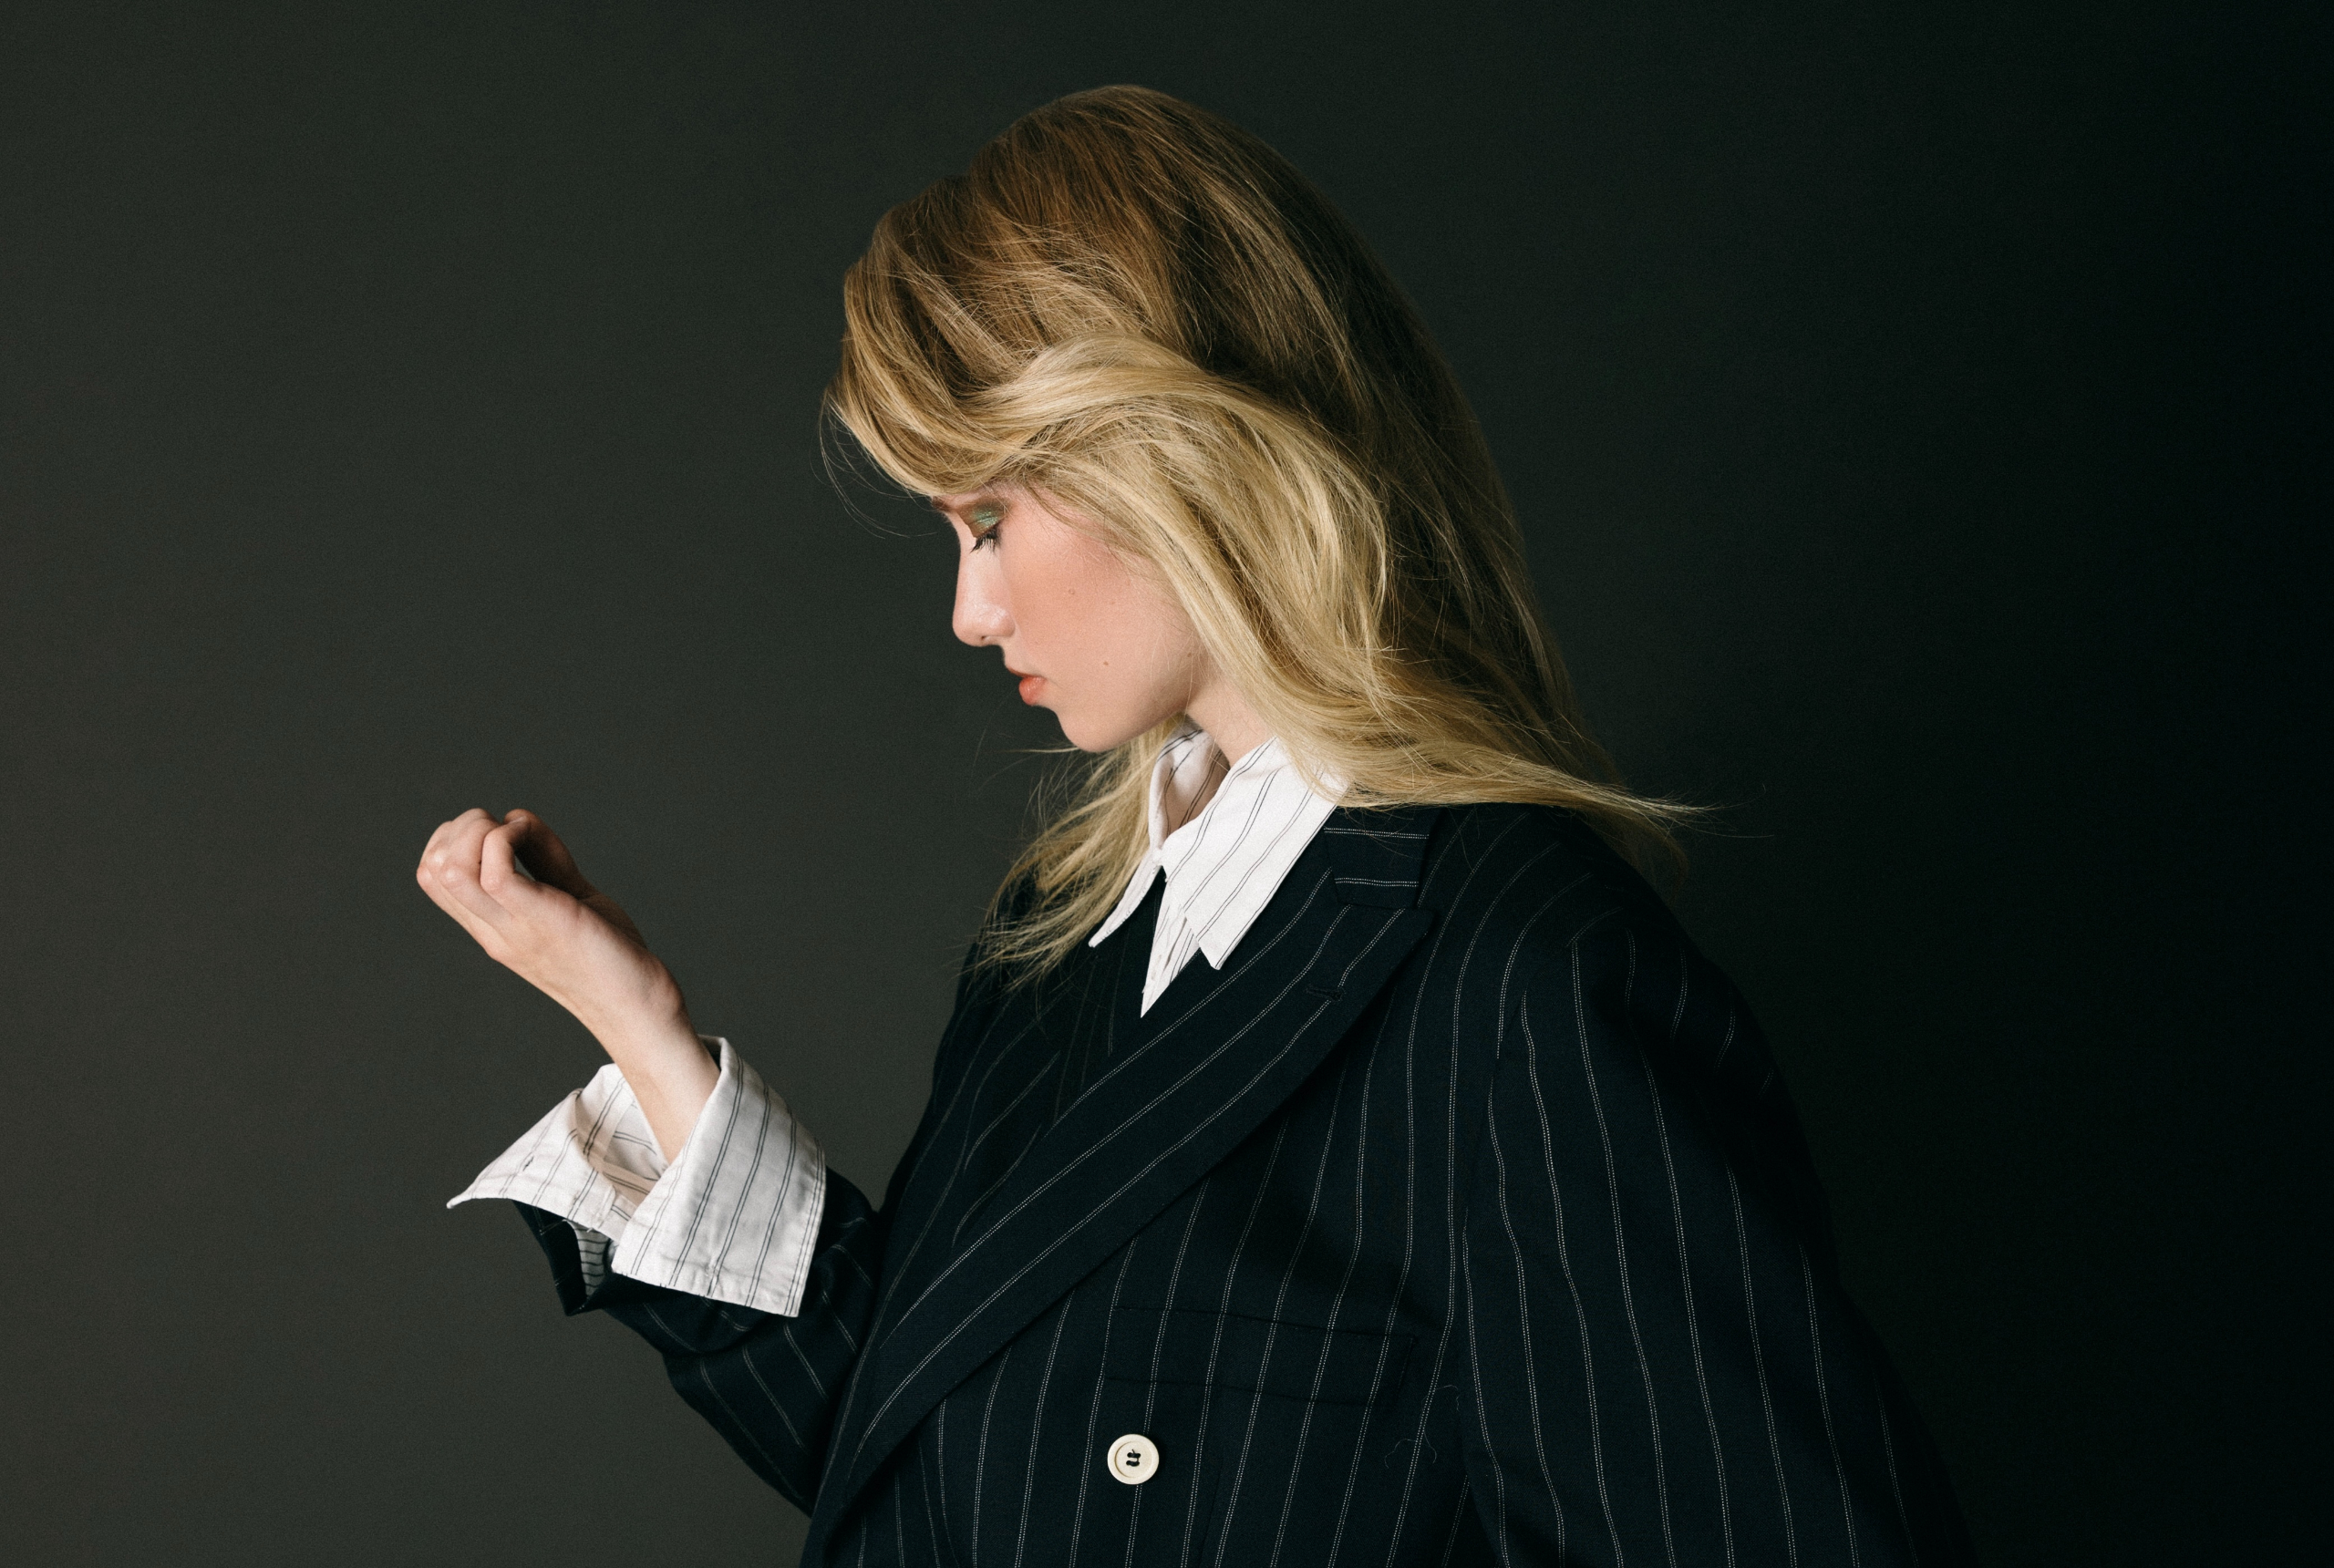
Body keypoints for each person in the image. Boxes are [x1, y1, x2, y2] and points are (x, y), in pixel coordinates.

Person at [417, 85, 1973, 1567]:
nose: (970, 609)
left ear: (1180, 458)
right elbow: (938, 1473)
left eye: (990, 518)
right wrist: (639, 1028)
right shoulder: (1066, 940)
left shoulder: (1523, 982)